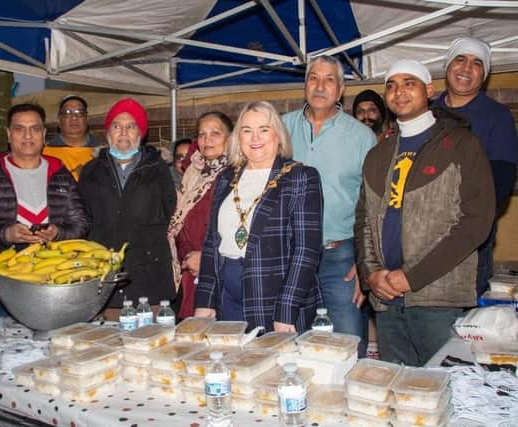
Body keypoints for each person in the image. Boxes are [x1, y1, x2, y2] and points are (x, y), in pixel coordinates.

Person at [355, 60, 495, 366]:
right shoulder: (377, 154)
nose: (398, 91)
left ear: (429, 90)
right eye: (391, 85)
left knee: (445, 392)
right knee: (401, 394)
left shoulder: (461, 144)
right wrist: (371, 274)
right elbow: (364, 221)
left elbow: (476, 222)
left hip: (436, 297)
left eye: (409, 83)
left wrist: (412, 276)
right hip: (387, 298)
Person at [194, 101, 323, 333]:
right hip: (227, 297)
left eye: (264, 129)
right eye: (247, 130)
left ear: (279, 136)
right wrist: (205, 300)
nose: (255, 137)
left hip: (276, 299)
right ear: (237, 138)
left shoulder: (301, 177)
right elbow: (212, 242)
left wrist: (287, 309)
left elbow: (306, 251)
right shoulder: (226, 179)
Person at [282, 55, 376, 356]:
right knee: (292, 348)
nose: (320, 86)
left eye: (329, 79)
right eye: (313, 78)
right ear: (304, 85)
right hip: (289, 255)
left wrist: (366, 264)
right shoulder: (280, 129)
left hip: (342, 259)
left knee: (348, 347)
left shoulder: (362, 137)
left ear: (341, 88)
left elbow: (374, 207)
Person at [0, 103, 88, 274]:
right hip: (2, 279)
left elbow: (81, 224)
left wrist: (58, 233)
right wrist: (5, 235)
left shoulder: (62, 176)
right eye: (19, 129)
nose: (28, 136)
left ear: (43, 135)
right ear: (8, 135)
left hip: (55, 275)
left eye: (34, 129)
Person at [433, 37, 518, 296]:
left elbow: (500, 183)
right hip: (420, 236)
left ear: (484, 74)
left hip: (470, 236)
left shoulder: (497, 116)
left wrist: (461, 221)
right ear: (448, 66)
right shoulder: (426, 112)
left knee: (465, 315)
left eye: (477, 63)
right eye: (460, 59)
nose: (466, 68)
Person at [78, 98, 176, 319]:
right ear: (108, 133)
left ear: (140, 134)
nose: (123, 132)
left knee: (152, 340)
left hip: (149, 275)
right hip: (105, 275)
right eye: (117, 126)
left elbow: (170, 212)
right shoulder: (91, 171)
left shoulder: (158, 169)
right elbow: (84, 217)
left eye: (131, 126)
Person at [168, 112, 232, 319]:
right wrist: (188, 255)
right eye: (202, 134)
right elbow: (179, 221)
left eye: (215, 133)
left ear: (229, 138)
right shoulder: (193, 173)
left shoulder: (238, 174)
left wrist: (205, 260)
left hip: (223, 273)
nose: (207, 140)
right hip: (191, 271)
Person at [43, 95, 101, 181]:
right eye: (67, 113)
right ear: (59, 120)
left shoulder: (103, 154)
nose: (74, 117)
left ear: (87, 119)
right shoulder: (44, 154)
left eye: (80, 113)